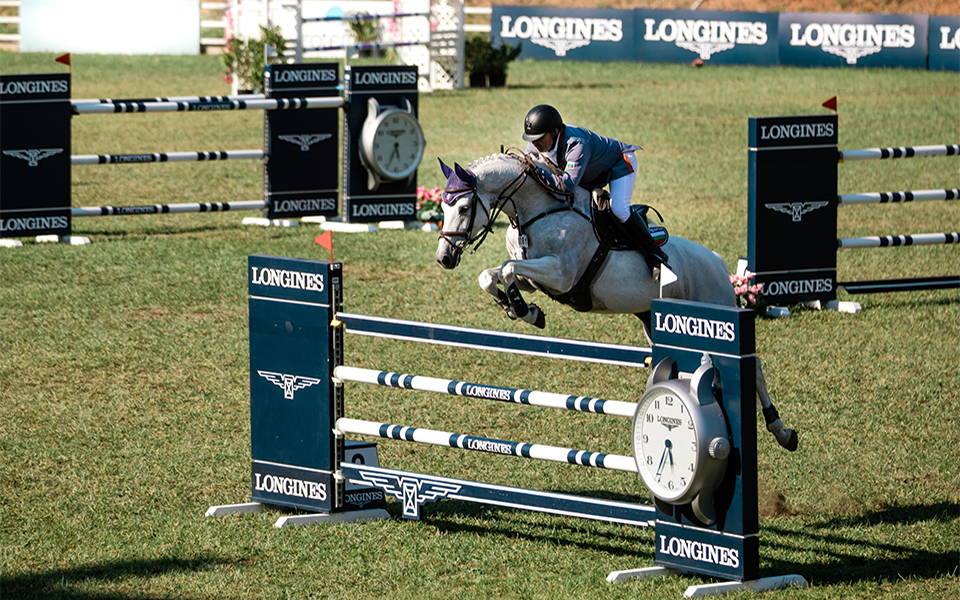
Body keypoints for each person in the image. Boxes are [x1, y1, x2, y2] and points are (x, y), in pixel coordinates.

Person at [521, 104, 668, 275]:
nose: (535, 143)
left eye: (539, 137)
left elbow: (567, 186)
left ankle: (655, 255)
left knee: (619, 209)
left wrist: (537, 172)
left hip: (619, 163)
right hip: (588, 174)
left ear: (555, 132)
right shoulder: (534, 147)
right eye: (531, 139)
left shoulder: (576, 143)